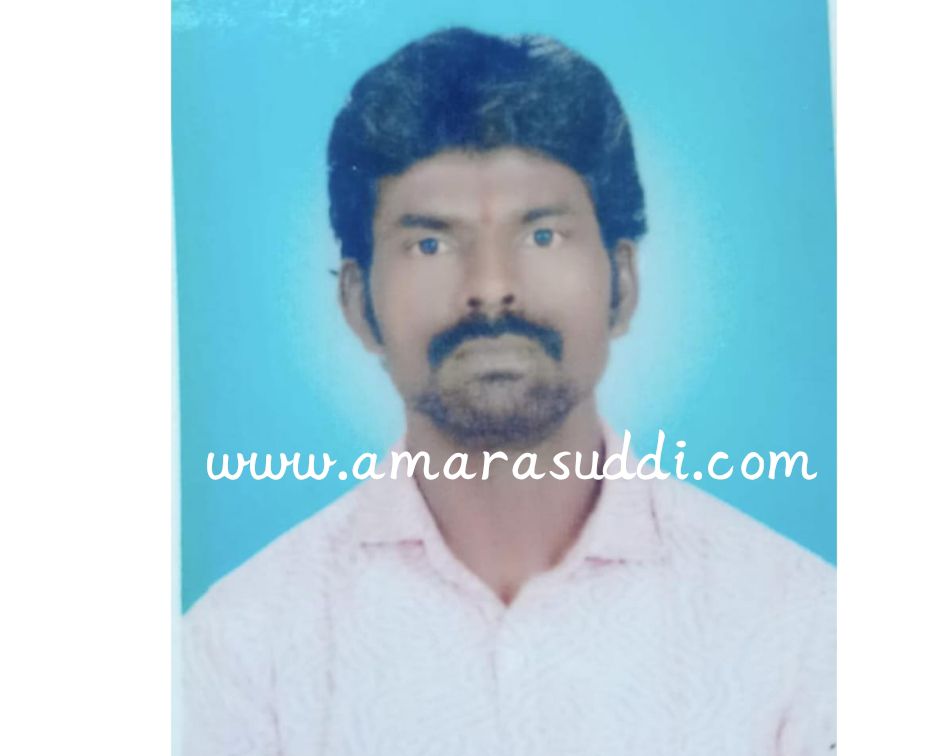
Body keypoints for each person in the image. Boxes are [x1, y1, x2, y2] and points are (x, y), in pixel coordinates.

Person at [182, 27, 835, 755]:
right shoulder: (239, 650)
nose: (491, 288)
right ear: (358, 304)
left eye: (542, 235)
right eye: (430, 243)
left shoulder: (802, 626)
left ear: (623, 285)